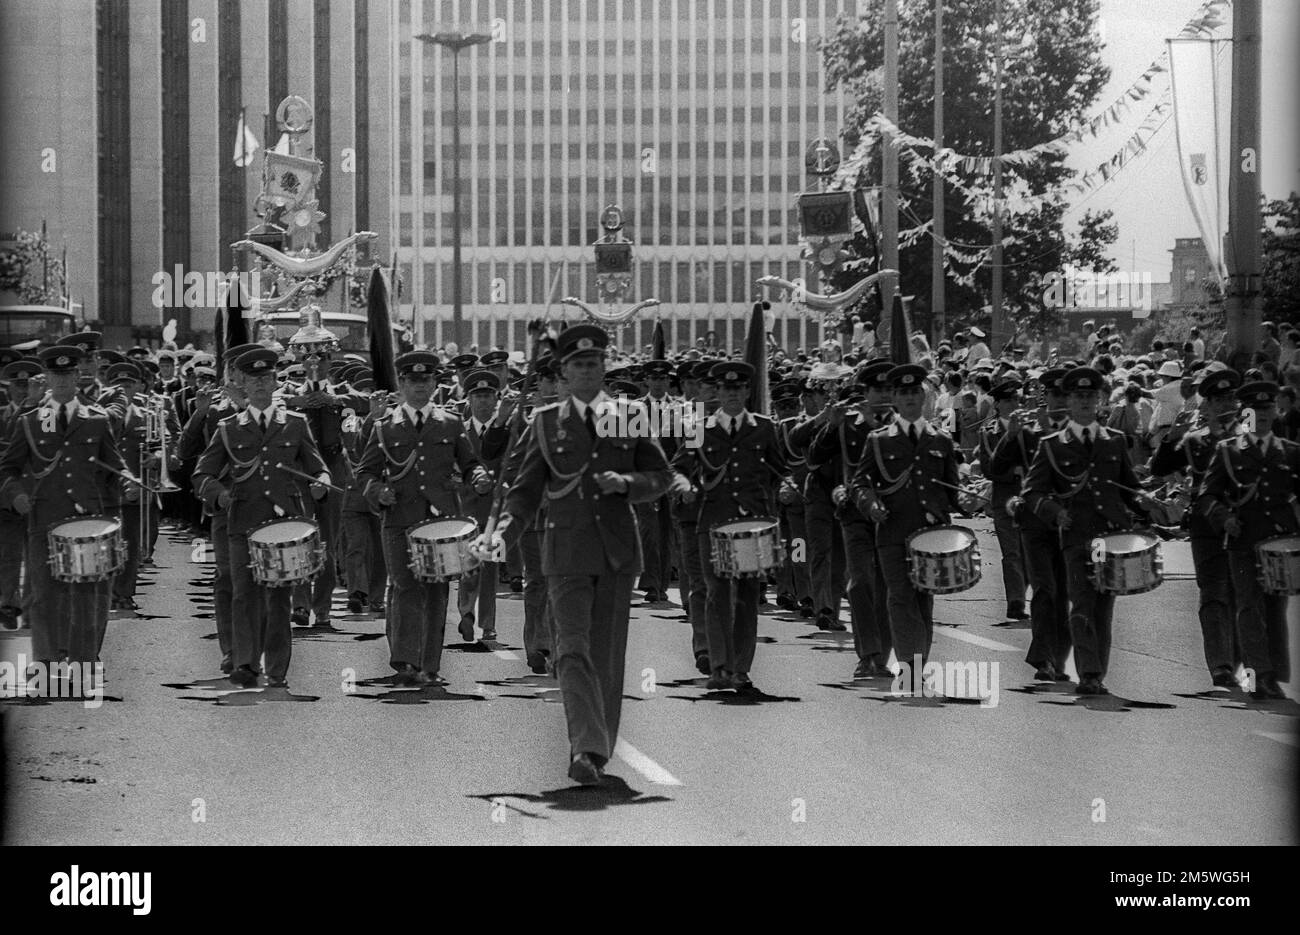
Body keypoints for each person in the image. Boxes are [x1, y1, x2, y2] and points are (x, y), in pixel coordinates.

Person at [483, 325, 670, 785]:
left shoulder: (628, 416)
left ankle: (597, 748)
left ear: (604, 367)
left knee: (606, 656)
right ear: (564, 372)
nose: (586, 370)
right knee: (570, 649)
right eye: (577, 365)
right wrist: (501, 535)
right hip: (564, 552)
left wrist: (627, 485)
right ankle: (586, 748)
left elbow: (661, 477)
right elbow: (524, 494)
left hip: (616, 553)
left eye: (593, 363)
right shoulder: (545, 422)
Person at [192, 348, 331, 689]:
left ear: (275, 381)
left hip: (282, 526)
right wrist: (218, 494)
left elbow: (317, 467)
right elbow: (201, 474)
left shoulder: (295, 425)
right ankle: (246, 663)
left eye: (266, 378)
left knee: (279, 598)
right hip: (242, 523)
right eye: (253, 379)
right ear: (243, 383)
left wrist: (322, 484)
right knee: (243, 595)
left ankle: (277, 668)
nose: (259, 385)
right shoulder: (228, 428)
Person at [356, 352, 487, 686]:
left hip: (439, 521)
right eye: (413, 381)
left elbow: (470, 462)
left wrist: (479, 477)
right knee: (404, 586)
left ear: (434, 383)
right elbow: (365, 472)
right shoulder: (385, 426)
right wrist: (377, 491)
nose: (419, 387)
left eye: (426, 380)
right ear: (402, 383)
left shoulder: (451, 422)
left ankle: (429, 664)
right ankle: (406, 660)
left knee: (435, 591)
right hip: (399, 518)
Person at [1022, 367, 1150, 696]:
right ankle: (1089, 673)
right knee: (1081, 604)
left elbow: (1130, 490)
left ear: (1100, 399)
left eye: (1090, 396)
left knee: (1102, 609)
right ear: (1068, 400)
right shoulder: (1052, 445)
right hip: (1077, 536)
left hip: (1111, 537)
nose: (1084, 402)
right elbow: (1032, 493)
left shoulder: (1116, 441)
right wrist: (1054, 512)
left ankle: (1096, 671)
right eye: (1078, 396)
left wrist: (1152, 506)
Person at [0, 346, 125, 680]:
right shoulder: (31, 420)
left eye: (67, 374)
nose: (63, 381)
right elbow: (8, 468)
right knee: (44, 596)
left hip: (87, 522)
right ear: (47, 379)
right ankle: (46, 665)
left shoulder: (96, 420)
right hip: (43, 518)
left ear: (75, 376)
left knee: (86, 597)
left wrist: (120, 490)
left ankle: (83, 667)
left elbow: (114, 468)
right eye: (56, 375)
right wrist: (16, 495)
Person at [672, 361, 788, 691]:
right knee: (716, 594)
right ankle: (720, 666)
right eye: (727, 389)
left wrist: (789, 486)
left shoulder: (764, 427)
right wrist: (683, 487)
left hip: (752, 524)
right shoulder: (700, 428)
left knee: (748, 597)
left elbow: (780, 469)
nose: (733, 394)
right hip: (713, 522)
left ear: (748, 392)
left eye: (739, 389)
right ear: (718, 392)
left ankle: (741, 668)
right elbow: (678, 467)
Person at [850, 363, 961, 673]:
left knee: (924, 601)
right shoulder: (878, 439)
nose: (911, 398)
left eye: (916, 391)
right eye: (904, 392)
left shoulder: (940, 439)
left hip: (930, 534)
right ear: (895, 399)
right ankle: (910, 668)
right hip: (893, 532)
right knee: (900, 597)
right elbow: (859, 483)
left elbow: (951, 489)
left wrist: (963, 502)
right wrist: (870, 504)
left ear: (924, 396)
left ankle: (918, 663)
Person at [1196, 379, 1294, 700]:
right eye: (1255, 409)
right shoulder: (1229, 451)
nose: (1262, 415)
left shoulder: (1290, 452)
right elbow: (1207, 496)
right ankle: (1258, 677)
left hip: (1279, 546)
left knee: (1274, 610)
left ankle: (1272, 676)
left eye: (1267, 408)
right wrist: (1225, 518)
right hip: (1241, 543)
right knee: (1249, 608)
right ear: (1244, 412)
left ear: (1275, 411)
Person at [1149, 368, 1241, 688]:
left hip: (1246, 526)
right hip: (1206, 529)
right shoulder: (1195, 442)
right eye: (1217, 399)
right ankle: (1221, 665)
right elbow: (1159, 469)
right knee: (1214, 593)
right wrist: (1172, 436)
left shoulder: (1251, 438)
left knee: (1243, 594)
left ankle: (1238, 659)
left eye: (1229, 397)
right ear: (1207, 405)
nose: (1224, 404)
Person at [993, 368, 1072, 681]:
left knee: (1065, 591)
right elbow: (996, 468)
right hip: (1036, 522)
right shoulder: (1027, 430)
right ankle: (1045, 659)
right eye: (1055, 394)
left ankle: (1057, 658)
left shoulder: (1081, 431)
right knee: (1045, 589)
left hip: (1069, 522)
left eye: (1066, 394)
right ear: (1045, 397)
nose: (1060, 400)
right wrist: (1010, 437)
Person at [456, 369, 511, 642]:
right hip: (466, 506)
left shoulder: (508, 430)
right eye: (478, 396)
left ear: (496, 398)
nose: (483, 402)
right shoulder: (459, 431)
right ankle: (466, 614)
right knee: (468, 563)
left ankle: (487, 623)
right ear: (468, 399)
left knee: (489, 568)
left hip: (495, 508)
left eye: (488, 395)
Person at [978, 378, 1029, 621]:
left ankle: (1023, 591)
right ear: (997, 404)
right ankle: (1016, 601)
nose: (1014, 403)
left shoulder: (1031, 428)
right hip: (1005, 498)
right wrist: (1013, 472)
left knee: (1029, 552)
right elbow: (988, 467)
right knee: (1012, 553)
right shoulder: (990, 432)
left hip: (1031, 499)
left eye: (1016, 399)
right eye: (1008, 400)